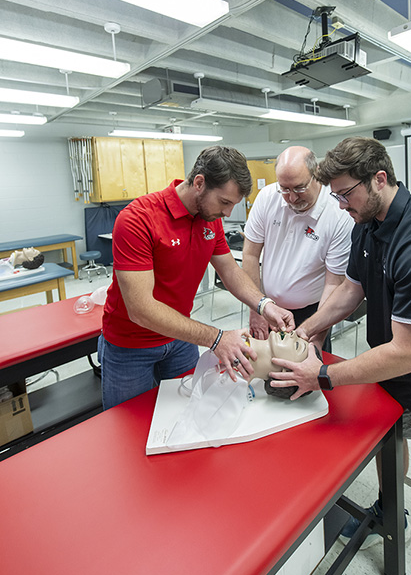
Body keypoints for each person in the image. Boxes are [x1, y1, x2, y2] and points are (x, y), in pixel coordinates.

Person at [269, 137, 411, 575]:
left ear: (380, 178)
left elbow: (408, 352)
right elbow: (352, 289)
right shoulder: (367, 224)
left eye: (344, 193)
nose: (339, 203)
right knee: (388, 443)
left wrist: (324, 375)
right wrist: (308, 327)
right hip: (396, 372)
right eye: (332, 194)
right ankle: (392, 512)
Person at [99, 145, 294, 410]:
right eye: (225, 202)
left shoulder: (209, 218)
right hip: (130, 346)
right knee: (130, 428)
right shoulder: (137, 219)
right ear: (199, 183)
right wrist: (216, 338)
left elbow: (230, 271)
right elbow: (140, 309)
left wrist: (264, 304)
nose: (227, 214)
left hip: (180, 338)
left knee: (186, 414)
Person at [242, 146, 353, 351]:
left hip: (313, 312)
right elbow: (249, 254)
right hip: (266, 306)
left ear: (317, 174)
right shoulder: (268, 197)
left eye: (299, 188)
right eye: (284, 189)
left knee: (306, 375)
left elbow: (334, 283)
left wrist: (317, 336)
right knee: (264, 374)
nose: (292, 198)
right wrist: (256, 308)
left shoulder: (338, 213)